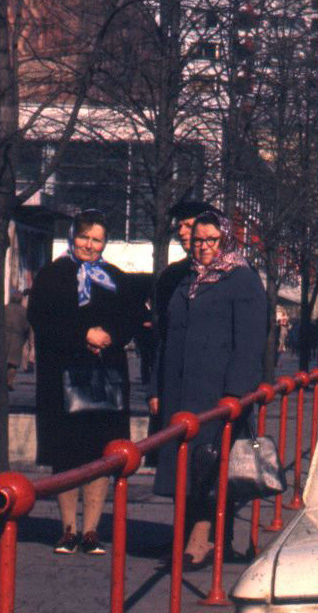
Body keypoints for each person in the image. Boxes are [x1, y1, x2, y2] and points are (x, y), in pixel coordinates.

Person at [152, 210, 268, 568]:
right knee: (182, 467)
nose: (202, 247)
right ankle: (186, 536)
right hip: (178, 391)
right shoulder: (185, 279)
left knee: (209, 467)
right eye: (197, 240)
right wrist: (156, 388)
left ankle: (201, 540)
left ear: (226, 240)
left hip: (215, 394)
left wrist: (234, 394)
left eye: (211, 240)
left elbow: (249, 343)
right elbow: (165, 336)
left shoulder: (242, 280)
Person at [27, 213, 142, 555]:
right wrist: (83, 336)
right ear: (72, 237)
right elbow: (41, 320)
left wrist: (110, 337)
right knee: (67, 455)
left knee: (100, 456)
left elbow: (131, 318)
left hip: (105, 379)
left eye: (97, 240)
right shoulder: (51, 276)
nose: (90, 245)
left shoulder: (117, 279)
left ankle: (91, 530)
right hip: (61, 378)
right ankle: (68, 530)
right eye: (84, 238)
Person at [145, 197, 206, 418]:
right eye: (179, 226)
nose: (181, 232)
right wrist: (154, 389)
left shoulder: (233, 274)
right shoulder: (171, 276)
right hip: (172, 383)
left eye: (188, 226)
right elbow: (162, 336)